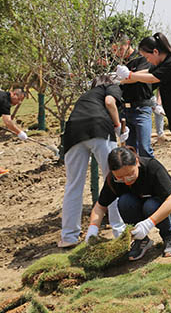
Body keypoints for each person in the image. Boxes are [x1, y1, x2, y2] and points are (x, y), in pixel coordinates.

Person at [116, 32, 171, 210]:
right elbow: (148, 72)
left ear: (155, 51)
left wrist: (130, 75)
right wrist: (126, 77)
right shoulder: (165, 63)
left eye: (147, 57)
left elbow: (154, 77)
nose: (147, 60)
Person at [58, 74, 129, 248]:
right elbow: (110, 103)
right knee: (114, 179)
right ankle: (119, 231)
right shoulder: (109, 87)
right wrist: (118, 127)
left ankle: (68, 237)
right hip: (99, 129)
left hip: (73, 134)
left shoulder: (86, 96)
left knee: (73, 185)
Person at [84, 146, 171, 260]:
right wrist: (93, 228)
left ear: (137, 162)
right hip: (143, 208)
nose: (126, 180)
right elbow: (100, 207)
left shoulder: (151, 167)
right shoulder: (113, 180)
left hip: (168, 207)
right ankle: (141, 240)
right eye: (120, 177)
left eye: (130, 174)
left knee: (150, 205)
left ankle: (169, 236)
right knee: (124, 201)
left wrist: (148, 223)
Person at [112, 34, 155, 158]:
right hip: (124, 110)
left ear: (128, 43)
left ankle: (150, 170)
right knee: (130, 151)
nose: (117, 52)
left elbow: (138, 77)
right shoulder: (117, 61)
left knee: (144, 148)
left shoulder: (142, 58)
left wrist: (121, 79)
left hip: (141, 108)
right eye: (114, 50)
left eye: (120, 49)